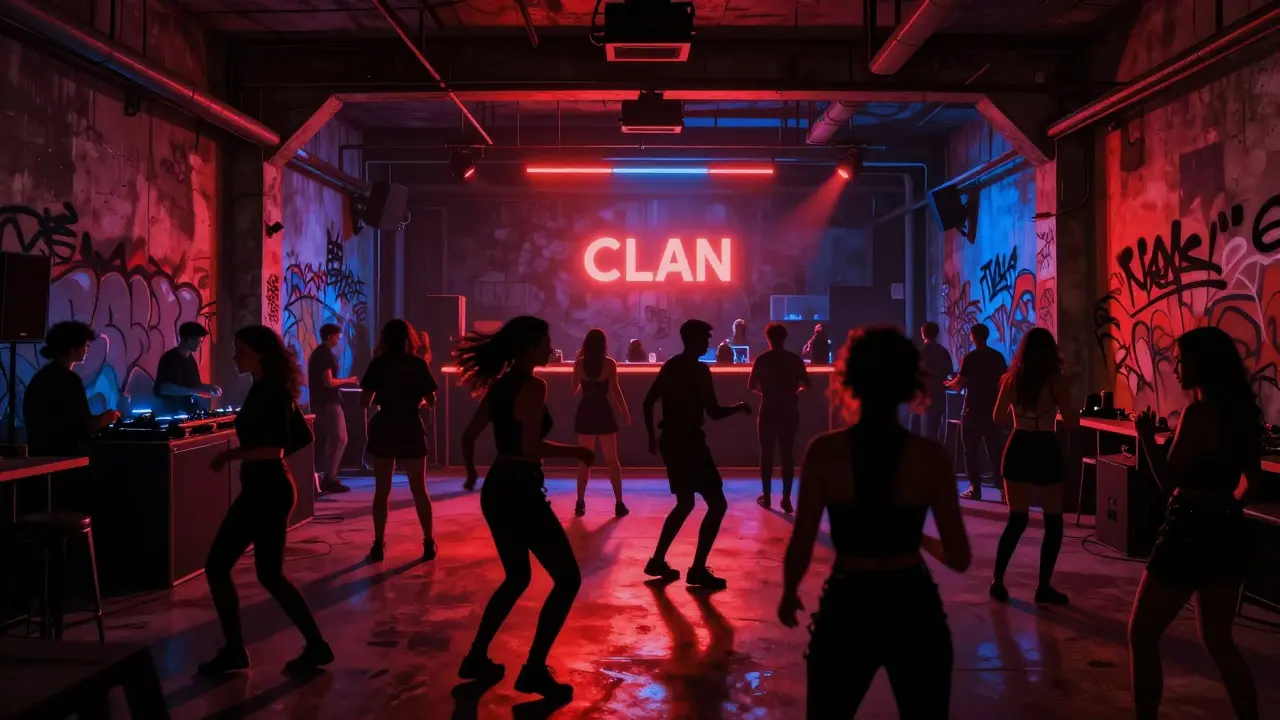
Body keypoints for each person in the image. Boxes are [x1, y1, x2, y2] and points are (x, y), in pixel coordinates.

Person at [778, 326, 970, 719]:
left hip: (848, 604)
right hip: (914, 604)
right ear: (909, 384)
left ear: (850, 381)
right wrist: (918, 538)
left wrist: (789, 591)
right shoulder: (931, 457)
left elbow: (802, 540)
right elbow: (959, 557)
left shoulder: (825, 452)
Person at [456, 316, 593, 702]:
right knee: (567, 579)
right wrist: (578, 451)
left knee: (517, 578)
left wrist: (470, 473)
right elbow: (531, 447)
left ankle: (476, 657)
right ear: (530, 347)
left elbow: (469, 436)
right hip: (521, 490)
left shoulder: (499, 386)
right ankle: (533, 669)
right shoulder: (534, 387)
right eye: (546, 341)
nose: (550, 348)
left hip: (498, 488)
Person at [1128, 327, 1261, 720]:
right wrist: (1224, 507)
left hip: (1187, 529)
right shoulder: (1243, 414)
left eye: (1182, 359)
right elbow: (1250, 482)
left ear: (1203, 363)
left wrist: (1146, 439)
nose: (1176, 365)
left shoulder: (1197, 413)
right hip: (1227, 529)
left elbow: (1169, 480)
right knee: (1220, 642)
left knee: (1142, 632)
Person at [199, 325, 331, 674]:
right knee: (267, 574)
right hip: (267, 487)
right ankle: (313, 646)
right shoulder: (266, 388)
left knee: (222, 566)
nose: (234, 356)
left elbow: (276, 448)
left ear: (259, 353)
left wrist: (230, 456)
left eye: (240, 350)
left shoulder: (271, 391)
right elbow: (302, 435)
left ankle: (237, 651)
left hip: (267, 489)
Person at [642, 319, 751, 590]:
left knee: (685, 503)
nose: (708, 343)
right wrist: (738, 408)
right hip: (690, 441)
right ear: (694, 340)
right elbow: (713, 412)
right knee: (717, 503)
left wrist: (651, 437)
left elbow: (648, 402)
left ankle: (658, 560)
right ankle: (698, 569)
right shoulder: (699, 370)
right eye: (705, 339)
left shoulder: (672, 366)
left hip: (671, 441)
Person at [989, 328, 1077, 605]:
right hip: (1046, 447)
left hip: (1019, 446)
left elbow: (998, 418)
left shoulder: (1012, 380)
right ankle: (1043, 587)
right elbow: (1073, 422)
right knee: (1053, 521)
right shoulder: (1056, 380)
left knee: (1017, 519)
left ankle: (998, 581)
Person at [361, 319, 439, 562]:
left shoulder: (378, 365)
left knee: (382, 491)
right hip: (410, 426)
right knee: (419, 489)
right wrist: (418, 401)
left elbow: (364, 401)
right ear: (410, 339)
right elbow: (432, 401)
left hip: (385, 426)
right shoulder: (418, 364)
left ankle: (378, 544)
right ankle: (428, 542)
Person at [23, 321, 121, 457]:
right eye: (85, 345)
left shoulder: (39, 378)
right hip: (65, 457)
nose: (87, 349)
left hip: (38, 453)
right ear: (73, 347)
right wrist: (105, 419)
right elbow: (83, 425)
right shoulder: (70, 381)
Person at [749, 322, 811, 513]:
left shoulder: (762, 359)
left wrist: (766, 393)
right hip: (789, 409)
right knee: (787, 454)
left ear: (768, 338)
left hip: (768, 408)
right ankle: (786, 499)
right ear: (785, 338)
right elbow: (807, 384)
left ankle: (767, 497)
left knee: (766, 453)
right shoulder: (794, 360)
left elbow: (752, 385)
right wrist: (794, 392)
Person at [571, 329, 630, 518]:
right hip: (603, 412)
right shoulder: (610, 364)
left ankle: (580, 502)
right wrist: (625, 411)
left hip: (586, 411)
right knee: (612, 460)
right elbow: (615, 390)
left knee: (585, 460)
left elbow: (573, 390)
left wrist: (578, 374)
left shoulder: (579, 364)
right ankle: (619, 503)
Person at [946, 323, 1007, 500]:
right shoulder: (998, 357)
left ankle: (975, 488)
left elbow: (959, 385)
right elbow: (1003, 381)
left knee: (970, 450)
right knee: (994, 450)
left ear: (973, 336)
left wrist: (948, 384)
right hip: (992, 409)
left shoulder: (970, 357)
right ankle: (1003, 489)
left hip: (972, 410)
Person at [308, 324, 358, 495]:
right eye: (338, 336)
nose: (339, 339)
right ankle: (329, 478)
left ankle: (329, 476)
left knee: (335, 439)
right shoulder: (324, 355)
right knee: (339, 438)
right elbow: (328, 382)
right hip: (328, 402)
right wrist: (348, 381)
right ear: (330, 336)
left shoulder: (319, 353)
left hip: (324, 402)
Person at [154, 321, 221, 415]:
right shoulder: (169, 358)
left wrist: (209, 387)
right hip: (170, 413)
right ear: (184, 339)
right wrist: (198, 391)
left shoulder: (191, 360)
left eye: (200, 339)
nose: (199, 342)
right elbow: (164, 389)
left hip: (188, 411)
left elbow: (194, 385)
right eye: (195, 338)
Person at [917, 321, 954, 442]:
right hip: (940, 394)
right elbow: (949, 371)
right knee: (939, 429)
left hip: (925, 396)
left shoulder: (922, 353)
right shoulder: (943, 352)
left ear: (923, 333)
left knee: (926, 432)